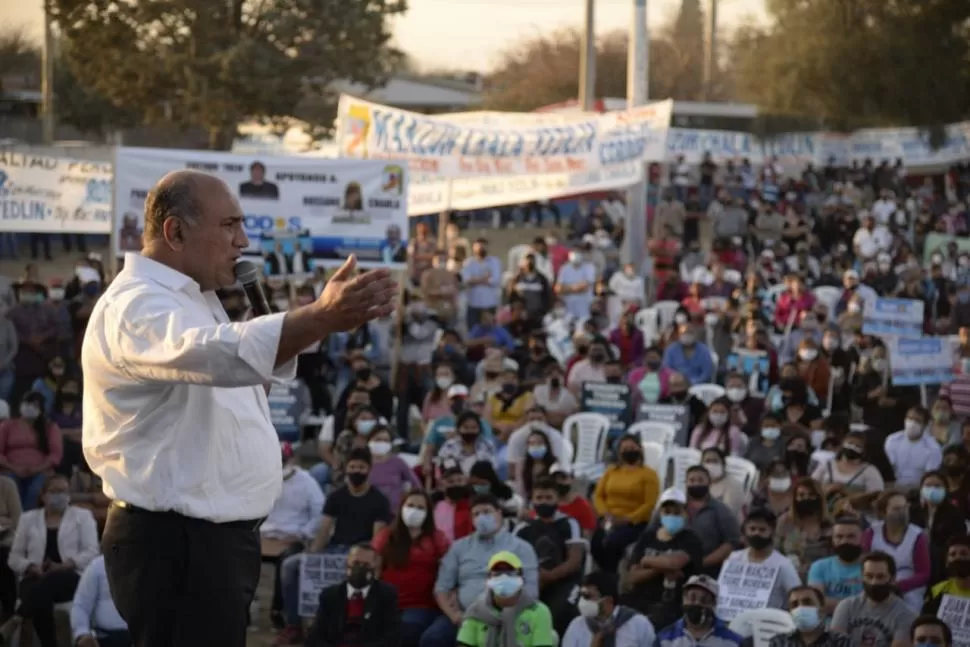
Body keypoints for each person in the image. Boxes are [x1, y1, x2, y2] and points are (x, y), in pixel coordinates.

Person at [82, 169, 397, 647]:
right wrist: (318, 317)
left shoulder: (194, 299)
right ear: (175, 231)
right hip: (178, 545)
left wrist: (307, 330)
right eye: (229, 225)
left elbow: (219, 380)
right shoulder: (137, 304)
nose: (243, 241)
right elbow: (208, 353)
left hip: (212, 542)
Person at [424, 494, 539, 647]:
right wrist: (455, 616)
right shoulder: (459, 547)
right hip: (464, 615)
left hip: (509, 615)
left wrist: (507, 615)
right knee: (432, 638)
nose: (481, 517)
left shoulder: (521, 548)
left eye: (486, 512)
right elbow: (442, 588)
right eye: (476, 514)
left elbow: (531, 590)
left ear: (499, 513)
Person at [0, 474, 99, 646]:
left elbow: (92, 551)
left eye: (64, 491)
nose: (60, 495)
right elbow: (14, 558)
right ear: (43, 495)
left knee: (43, 586)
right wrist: (30, 566)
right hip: (34, 577)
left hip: (70, 576)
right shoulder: (28, 519)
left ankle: (16, 619)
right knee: (41, 593)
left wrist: (66, 564)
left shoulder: (82, 517)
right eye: (54, 491)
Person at [372, 491, 450, 646]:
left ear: (428, 513)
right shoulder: (386, 536)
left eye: (421, 508)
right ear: (401, 508)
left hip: (421, 605)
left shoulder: (437, 538)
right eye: (410, 505)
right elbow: (375, 569)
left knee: (406, 632)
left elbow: (447, 571)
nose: (415, 510)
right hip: (389, 604)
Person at [514, 477, 584, 636]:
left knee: (557, 616)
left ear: (557, 499)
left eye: (548, 498)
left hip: (563, 583)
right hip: (529, 583)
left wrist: (549, 576)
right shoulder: (522, 528)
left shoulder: (569, 523)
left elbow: (575, 561)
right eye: (539, 498)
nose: (544, 502)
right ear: (532, 500)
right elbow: (511, 560)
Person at [626, 487, 704, 628]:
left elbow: (674, 563)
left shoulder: (691, 539)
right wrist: (660, 569)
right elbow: (633, 576)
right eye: (667, 512)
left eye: (677, 512)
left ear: (685, 513)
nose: (672, 516)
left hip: (672, 604)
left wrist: (647, 561)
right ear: (660, 513)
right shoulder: (648, 537)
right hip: (640, 600)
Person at [305, 542, 400, 646]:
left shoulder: (386, 595)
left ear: (375, 567)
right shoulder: (330, 595)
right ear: (347, 564)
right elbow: (316, 635)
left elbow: (392, 637)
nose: (360, 568)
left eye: (366, 565)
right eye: (356, 563)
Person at [590, 434, 660, 573]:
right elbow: (598, 495)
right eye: (625, 448)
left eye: (632, 447)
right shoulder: (611, 472)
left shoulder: (648, 474)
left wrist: (626, 519)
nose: (629, 450)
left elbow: (649, 504)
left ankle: (612, 578)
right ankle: (607, 576)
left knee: (612, 543)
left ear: (640, 450)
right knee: (595, 545)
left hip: (634, 523)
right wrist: (605, 515)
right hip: (608, 519)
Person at [456, 550, 555, 647]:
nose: (504, 578)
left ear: (521, 579)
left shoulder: (538, 611)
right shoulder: (475, 611)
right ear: (488, 580)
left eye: (510, 573)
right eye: (497, 574)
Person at [719, 508, 801, 613]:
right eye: (752, 529)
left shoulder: (783, 564)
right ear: (745, 530)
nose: (756, 533)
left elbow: (796, 594)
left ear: (772, 532)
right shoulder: (734, 558)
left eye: (762, 530)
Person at [831, 551, 918, 647]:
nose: (874, 582)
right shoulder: (846, 606)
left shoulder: (905, 615)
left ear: (892, 579)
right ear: (861, 577)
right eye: (869, 576)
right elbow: (836, 642)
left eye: (880, 577)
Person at [561, 571, 656, 647]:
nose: (582, 601)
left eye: (588, 596)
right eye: (581, 595)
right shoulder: (577, 625)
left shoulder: (638, 624)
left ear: (608, 601)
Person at [655, 574, 744, 647]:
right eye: (692, 598)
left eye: (704, 600)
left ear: (714, 603)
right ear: (684, 599)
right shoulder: (665, 638)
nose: (697, 603)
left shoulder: (733, 641)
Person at [808, 517, 865, 618]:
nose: (844, 541)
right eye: (839, 536)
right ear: (833, 539)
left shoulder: (873, 566)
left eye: (851, 536)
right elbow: (817, 603)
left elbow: (876, 605)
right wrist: (859, 606)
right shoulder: (819, 566)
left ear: (862, 538)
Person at [70, 555, 131, 647]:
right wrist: (82, 634)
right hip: (105, 637)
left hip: (140, 637)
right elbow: (81, 606)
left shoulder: (148, 566)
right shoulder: (97, 566)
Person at [769, 586, 851, 647]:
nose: (800, 608)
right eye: (794, 604)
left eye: (807, 602)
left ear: (822, 610)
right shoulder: (779, 643)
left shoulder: (841, 642)